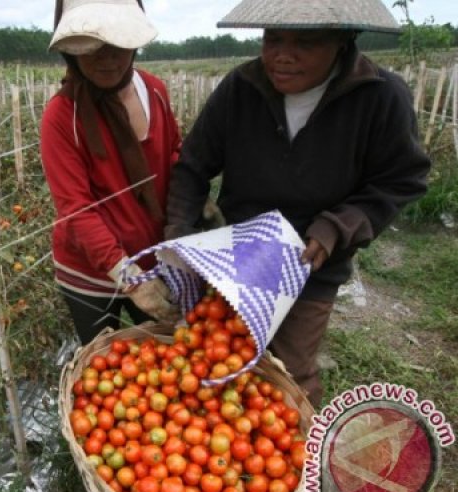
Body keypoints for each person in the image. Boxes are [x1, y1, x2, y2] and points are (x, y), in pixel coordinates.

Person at [164, 0, 431, 406]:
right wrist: (179, 236)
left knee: (289, 371)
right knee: (223, 357)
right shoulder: (241, 89)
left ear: (343, 40)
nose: (281, 55)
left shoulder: (379, 96)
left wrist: (336, 227)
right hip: (243, 257)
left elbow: (400, 179)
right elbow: (192, 166)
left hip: (312, 264)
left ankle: (295, 454)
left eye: (304, 42)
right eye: (273, 39)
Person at [40, 0, 182, 344]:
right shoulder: (62, 117)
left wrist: (193, 207)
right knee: (103, 358)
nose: (107, 58)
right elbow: (77, 209)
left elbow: (173, 155)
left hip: (151, 257)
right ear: (71, 53)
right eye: (92, 47)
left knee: (167, 353)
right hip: (89, 271)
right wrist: (129, 277)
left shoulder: (155, 92)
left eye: (118, 44)